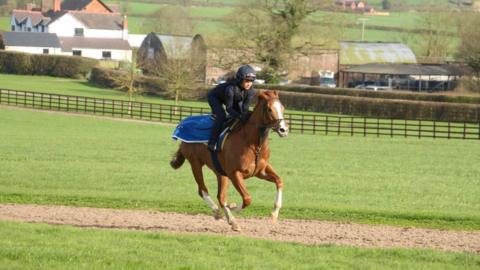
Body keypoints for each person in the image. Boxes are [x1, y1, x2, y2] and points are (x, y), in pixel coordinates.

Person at [207, 64, 257, 152]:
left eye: (251, 81)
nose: (249, 83)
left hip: (232, 98)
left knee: (241, 116)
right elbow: (229, 109)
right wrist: (239, 116)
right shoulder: (230, 89)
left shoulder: (251, 91)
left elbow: (244, 109)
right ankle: (212, 142)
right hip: (214, 97)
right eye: (247, 81)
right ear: (240, 79)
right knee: (221, 116)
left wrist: (246, 115)